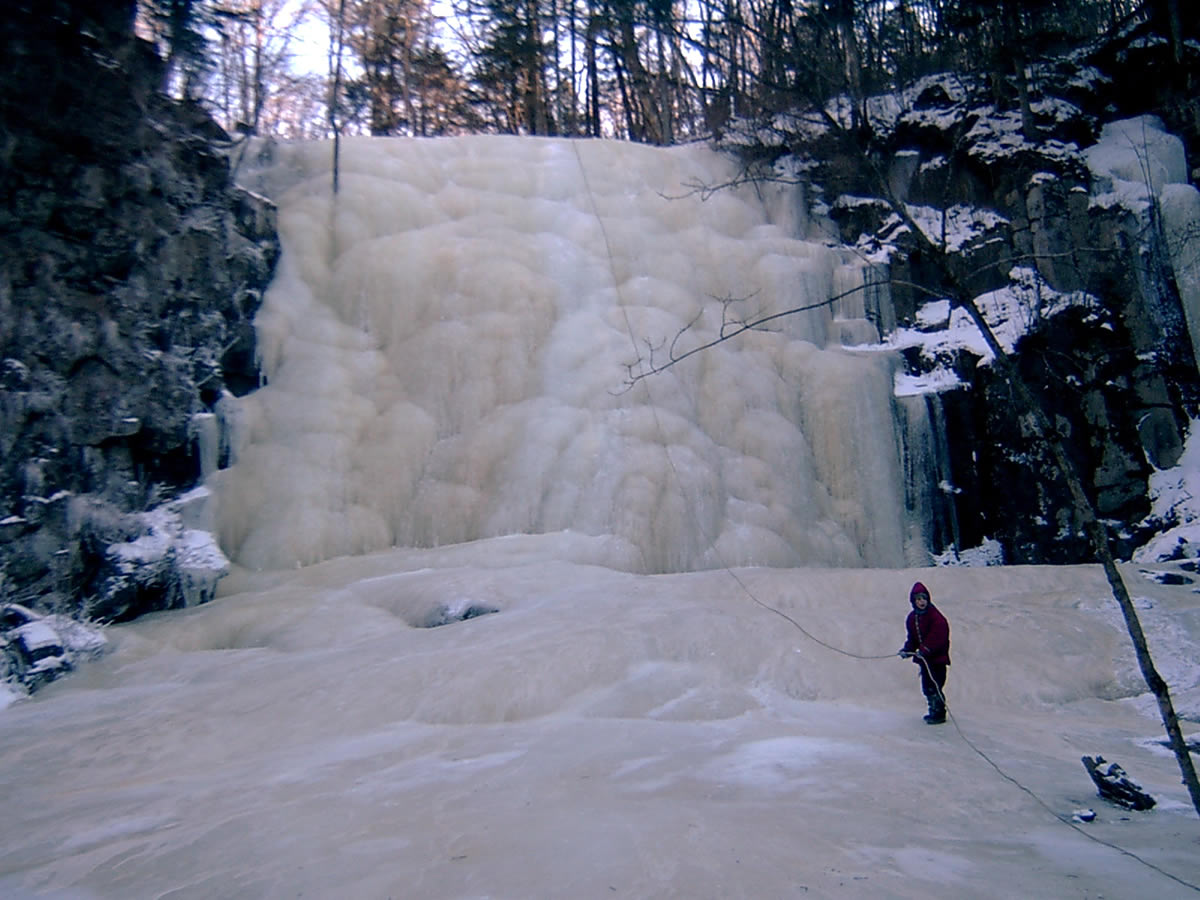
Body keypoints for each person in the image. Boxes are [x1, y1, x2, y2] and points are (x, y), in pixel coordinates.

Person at [898, 581, 951, 724]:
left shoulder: (936, 618)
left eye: (924, 598)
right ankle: (932, 710)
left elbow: (939, 636)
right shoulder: (912, 618)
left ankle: (939, 713)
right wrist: (907, 650)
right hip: (925, 661)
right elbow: (913, 638)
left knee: (935, 686)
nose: (922, 602)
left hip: (938, 659)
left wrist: (926, 649)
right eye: (918, 599)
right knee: (927, 687)